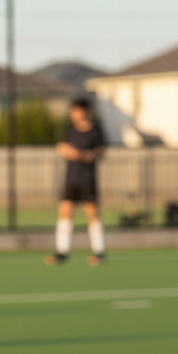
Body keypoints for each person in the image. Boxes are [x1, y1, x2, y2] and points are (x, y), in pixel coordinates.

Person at [47, 96, 106, 265]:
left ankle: (99, 251)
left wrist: (85, 156)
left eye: (76, 110)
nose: (73, 114)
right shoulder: (70, 130)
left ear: (84, 111)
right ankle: (62, 251)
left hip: (88, 179)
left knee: (92, 213)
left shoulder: (95, 130)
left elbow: (100, 151)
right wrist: (69, 151)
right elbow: (61, 146)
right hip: (71, 178)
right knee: (65, 211)